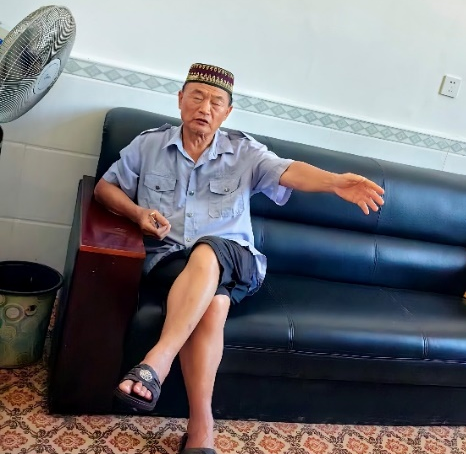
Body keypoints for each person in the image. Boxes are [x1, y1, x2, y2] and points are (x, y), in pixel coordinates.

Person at [94, 62, 385, 453]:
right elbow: (105, 188)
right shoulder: (149, 145)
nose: (205, 107)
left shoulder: (244, 151)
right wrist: (138, 214)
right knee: (214, 305)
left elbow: (288, 171)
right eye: (197, 97)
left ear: (227, 112)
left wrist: (333, 182)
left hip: (237, 260)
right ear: (180, 100)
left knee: (209, 249)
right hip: (171, 262)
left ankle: (158, 361)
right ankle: (201, 430)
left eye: (216, 102)